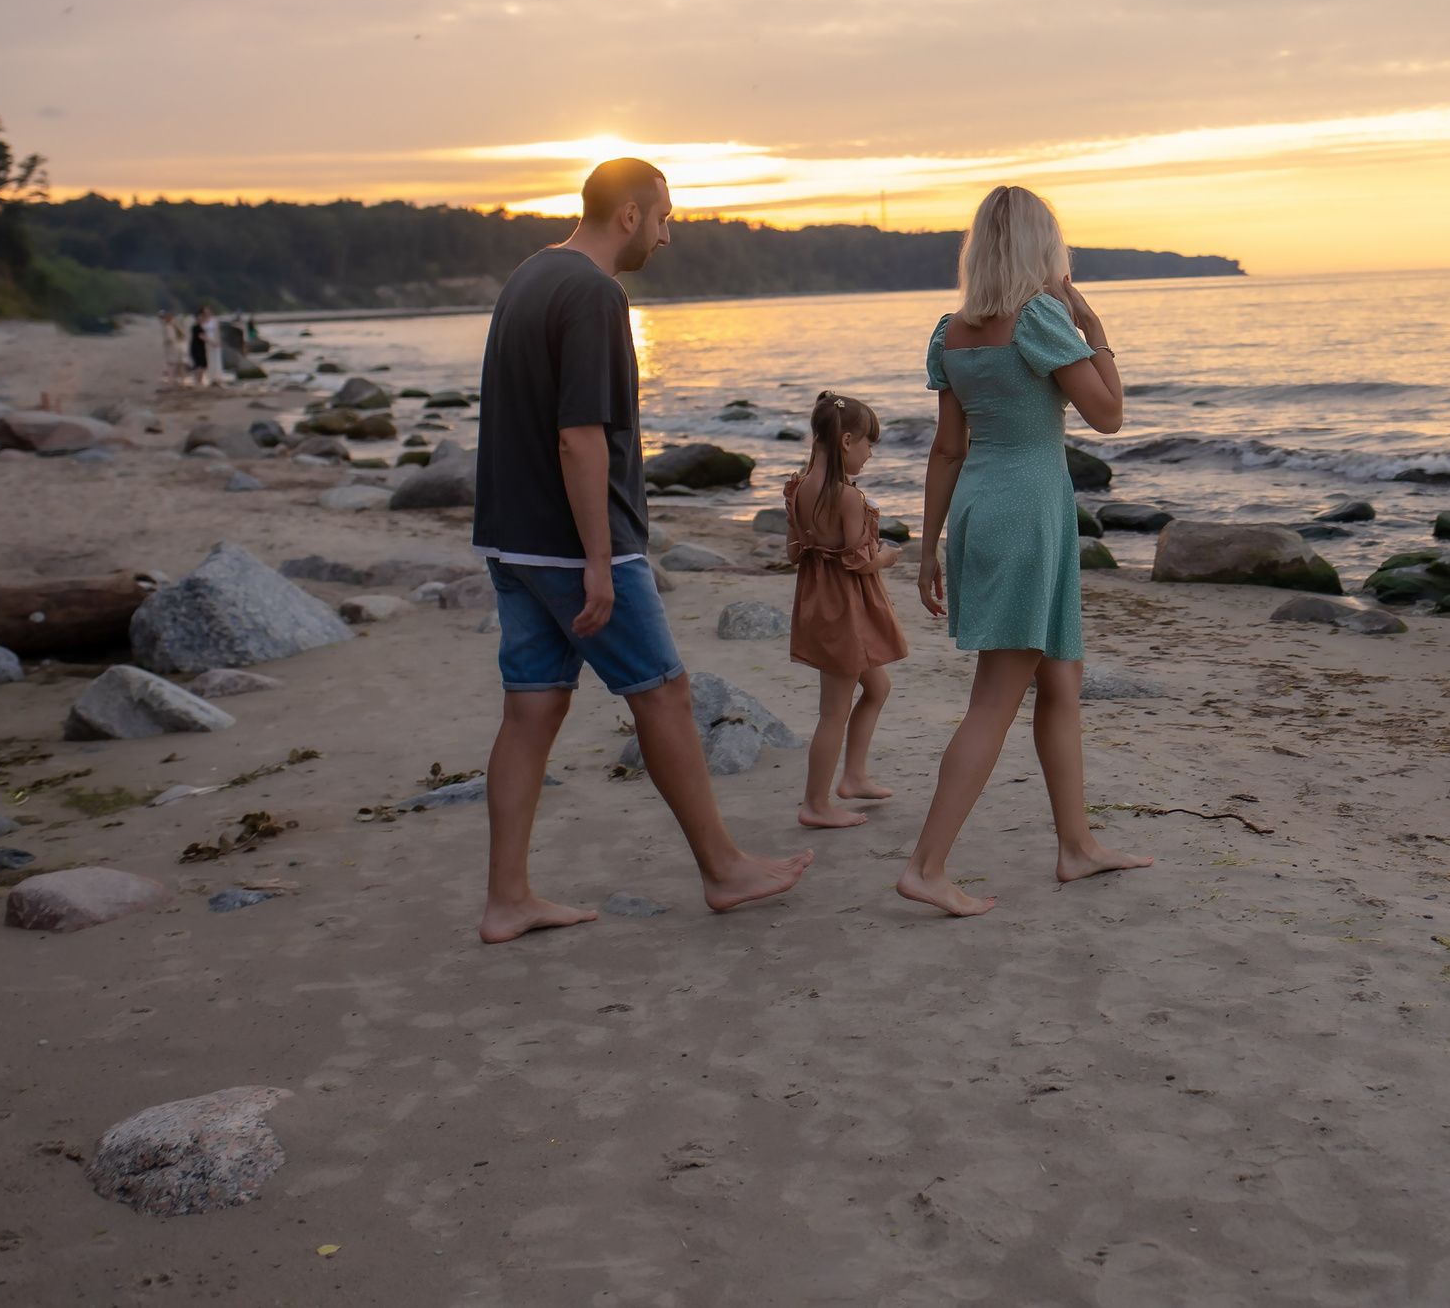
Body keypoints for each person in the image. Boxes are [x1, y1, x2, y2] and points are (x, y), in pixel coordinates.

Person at [469, 156, 813, 943]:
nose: (666, 235)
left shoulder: (529, 276)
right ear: (628, 214)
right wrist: (600, 555)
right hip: (572, 542)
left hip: (512, 537)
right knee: (662, 692)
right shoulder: (593, 294)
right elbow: (579, 437)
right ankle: (724, 869)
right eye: (663, 217)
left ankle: (507, 898)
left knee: (533, 706)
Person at [903, 186, 1153, 916]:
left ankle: (1075, 845)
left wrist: (928, 548)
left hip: (984, 509)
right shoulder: (1042, 318)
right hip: (1028, 517)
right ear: (1042, 249)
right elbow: (1108, 414)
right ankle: (925, 865)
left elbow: (948, 450)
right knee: (994, 700)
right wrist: (1095, 327)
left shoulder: (951, 331)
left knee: (1063, 681)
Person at [784, 390, 908, 829]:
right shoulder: (845, 496)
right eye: (869, 445)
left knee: (877, 688)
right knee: (833, 711)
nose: (871, 455)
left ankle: (853, 776)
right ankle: (815, 804)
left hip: (820, 603)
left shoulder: (798, 487)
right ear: (847, 441)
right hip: (845, 611)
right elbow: (859, 561)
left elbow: (795, 550)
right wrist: (888, 557)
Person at [158, 309, 185, 387]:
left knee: (170, 364)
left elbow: (170, 338)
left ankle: (171, 383)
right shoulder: (174, 325)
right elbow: (182, 335)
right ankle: (182, 382)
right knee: (180, 365)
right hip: (178, 346)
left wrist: (166, 342)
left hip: (172, 347)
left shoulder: (168, 326)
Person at [186, 306, 212, 387]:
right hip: (196, 348)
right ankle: (198, 381)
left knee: (201, 365)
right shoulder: (196, 327)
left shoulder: (200, 327)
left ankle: (199, 380)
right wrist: (212, 341)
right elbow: (201, 337)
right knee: (199, 365)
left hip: (200, 347)